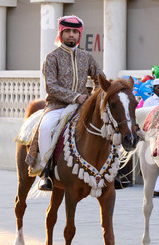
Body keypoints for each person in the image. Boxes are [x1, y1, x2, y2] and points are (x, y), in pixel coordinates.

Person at [37, 15, 105, 191]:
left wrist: (96, 95)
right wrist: (75, 97)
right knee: (45, 128)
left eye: (75, 31)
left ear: (79, 34)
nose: (71, 35)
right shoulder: (52, 57)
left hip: (83, 105)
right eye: (67, 31)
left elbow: (100, 78)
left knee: (108, 125)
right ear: (61, 33)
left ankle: (113, 171)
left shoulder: (86, 56)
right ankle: (47, 172)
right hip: (57, 105)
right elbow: (50, 86)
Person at [143, 78, 159, 197]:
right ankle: (151, 188)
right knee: (151, 162)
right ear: (154, 89)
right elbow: (147, 117)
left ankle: (158, 189)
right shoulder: (149, 101)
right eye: (158, 88)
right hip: (153, 133)